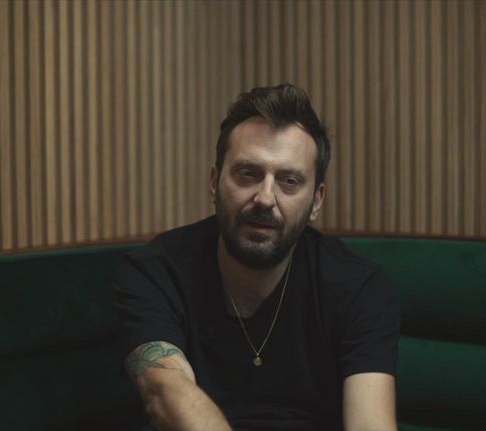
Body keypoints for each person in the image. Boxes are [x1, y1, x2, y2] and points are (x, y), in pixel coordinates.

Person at [113, 83, 399, 431]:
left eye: (289, 181)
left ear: (316, 202)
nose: (265, 198)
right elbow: (164, 391)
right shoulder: (155, 270)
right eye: (248, 173)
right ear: (215, 182)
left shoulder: (359, 287)